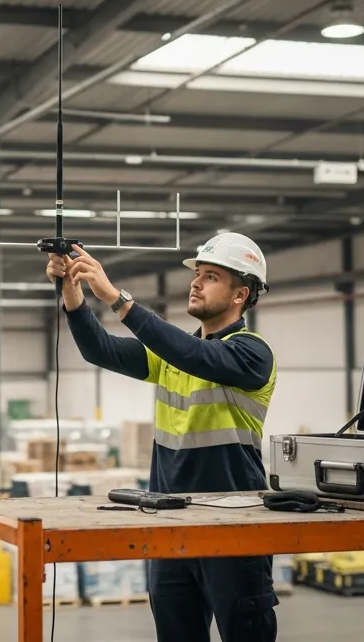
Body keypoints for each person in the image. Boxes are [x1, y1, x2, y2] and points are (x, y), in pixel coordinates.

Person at [46, 232, 277, 642]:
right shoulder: (176, 353)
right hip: (170, 522)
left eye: (211, 277)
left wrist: (118, 299)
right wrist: (72, 291)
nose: (196, 282)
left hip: (233, 523)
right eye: (197, 275)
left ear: (241, 293)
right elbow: (99, 349)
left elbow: (197, 357)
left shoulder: (251, 353)